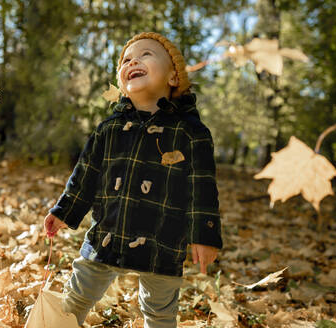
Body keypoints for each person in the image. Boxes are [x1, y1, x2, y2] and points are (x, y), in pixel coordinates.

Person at [44, 32, 222, 328]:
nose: (133, 61)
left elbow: (202, 188)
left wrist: (204, 234)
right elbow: (85, 176)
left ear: (174, 77)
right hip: (109, 232)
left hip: (163, 238)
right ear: (124, 86)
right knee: (76, 297)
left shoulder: (191, 132)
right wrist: (64, 211)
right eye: (126, 60)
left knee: (160, 312)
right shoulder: (108, 130)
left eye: (147, 55)